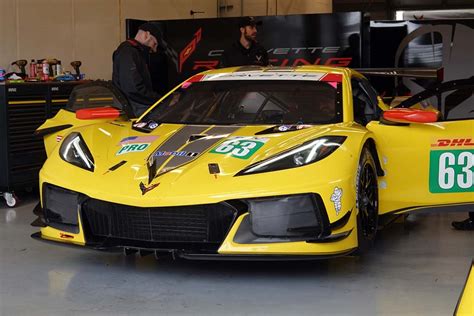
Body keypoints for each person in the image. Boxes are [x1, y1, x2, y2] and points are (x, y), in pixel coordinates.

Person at [112, 22, 161, 117]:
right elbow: (133, 89)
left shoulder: (134, 52)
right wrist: (159, 100)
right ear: (146, 35)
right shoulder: (128, 53)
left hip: (135, 106)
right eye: (154, 44)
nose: (154, 50)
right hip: (135, 109)